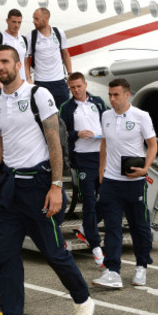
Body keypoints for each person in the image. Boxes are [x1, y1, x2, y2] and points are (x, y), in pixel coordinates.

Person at [0, 45, 94, 315]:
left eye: (5, 61)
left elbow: (54, 142)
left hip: (39, 187)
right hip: (8, 189)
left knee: (54, 253)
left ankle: (83, 301)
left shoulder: (38, 95)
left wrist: (57, 186)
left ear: (18, 64)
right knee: (6, 257)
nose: (0, 66)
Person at [92, 78, 158, 289]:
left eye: (116, 95)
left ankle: (142, 266)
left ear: (127, 95)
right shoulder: (106, 115)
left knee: (139, 226)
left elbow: (153, 145)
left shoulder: (141, 116)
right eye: (110, 95)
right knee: (112, 227)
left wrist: (146, 167)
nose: (111, 99)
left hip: (134, 182)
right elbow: (104, 144)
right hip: (111, 182)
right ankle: (112, 271)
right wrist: (102, 170)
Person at [59, 72, 107, 267]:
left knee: (107, 198)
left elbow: (108, 123)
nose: (76, 90)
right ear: (69, 88)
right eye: (72, 87)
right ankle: (95, 246)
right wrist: (77, 133)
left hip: (102, 156)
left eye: (79, 86)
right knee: (88, 200)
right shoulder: (67, 108)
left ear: (85, 85)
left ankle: (86, 229)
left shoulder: (98, 102)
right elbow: (63, 134)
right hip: (83, 158)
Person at [25, 8, 72, 109]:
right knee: (43, 115)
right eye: (33, 18)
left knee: (63, 115)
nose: (33, 21)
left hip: (59, 83)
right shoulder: (30, 37)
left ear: (45, 19)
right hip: (41, 83)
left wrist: (70, 74)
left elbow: (65, 54)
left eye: (36, 19)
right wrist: (28, 78)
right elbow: (26, 59)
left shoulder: (59, 33)